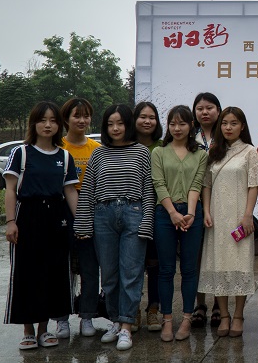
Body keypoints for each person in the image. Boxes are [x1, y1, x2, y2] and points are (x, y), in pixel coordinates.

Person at [74, 104, 155, 351]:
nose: (115, 128)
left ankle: (127, 327)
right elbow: (88, 190)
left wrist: (147, 222)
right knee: (109, 275)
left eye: (120, 123)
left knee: (131, 272)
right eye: (110, 124)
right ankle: (115, 322)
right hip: (103, 215)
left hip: (133, 213)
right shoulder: (99, 153)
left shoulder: (142, 152)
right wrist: (83, 223)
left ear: (128, 124)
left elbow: (148, 190)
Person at [4, 102, 79, 350]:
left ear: (59, 125)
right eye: (43, 120)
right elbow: (11, 189)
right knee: (27, 272)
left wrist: (80, 223)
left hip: (56, 217)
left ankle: (44, 329)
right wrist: (10, 222)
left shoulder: (64, 156)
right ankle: (28, 330)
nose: (48, 125)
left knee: (53, 273)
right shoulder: (21, 153)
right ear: (34, 123)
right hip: (27, 216)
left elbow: (70, 191)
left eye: (53, 120)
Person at [199, 107, 258, 338]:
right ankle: (224, 316)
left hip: (238, 218)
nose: (228, 127)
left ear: (242, 126)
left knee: (240, 264)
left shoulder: (250, 152)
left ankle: (238, 315)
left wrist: (248, 215)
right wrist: (206, 211)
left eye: (233, 123)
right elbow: (206, 185)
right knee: (219, 265)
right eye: (224, 123)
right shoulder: (214, 152)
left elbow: (254, 185)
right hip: (217, 218)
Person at [151, 106, 207, 342]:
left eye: (182, 123)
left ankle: (186, 318)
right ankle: (166, 319)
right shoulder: (159, 152)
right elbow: (158, 183)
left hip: (192, 213)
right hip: (165, 213)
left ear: (191, 125)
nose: (177, 128)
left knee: (189, 269)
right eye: (172, 123)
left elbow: (196, 184)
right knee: (166, 269)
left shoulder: (200, 154)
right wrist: (173, 212)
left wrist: (191, 214)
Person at [52, 98, 101, 339]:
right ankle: (61, 319)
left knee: (89, 266)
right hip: (61, 210)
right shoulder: (57, 147)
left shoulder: (96, 149)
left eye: (86, 116)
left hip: (90, 208)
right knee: (62, 267)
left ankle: (87, 316)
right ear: (66, 119)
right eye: (76, 116)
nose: (82, 120)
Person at [191, 92, 222, 328]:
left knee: (220, 255)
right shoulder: (189, 137)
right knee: (197, 256)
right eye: (200, 108)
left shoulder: (227, 135)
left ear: (218, 111)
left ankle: (219, 305)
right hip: (194, 201)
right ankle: (199, 304)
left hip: (222, 201)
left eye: (209, 108)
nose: (205, 112)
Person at [133, 101, 164, 333]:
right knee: (132, 264)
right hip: (132, 213)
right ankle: (132, 309)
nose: (147, 121)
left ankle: (153, 309)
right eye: (142, 117)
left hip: (158, 213)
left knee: (155, 265)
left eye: (152, 117)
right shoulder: (126, 146)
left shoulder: (163, 147)